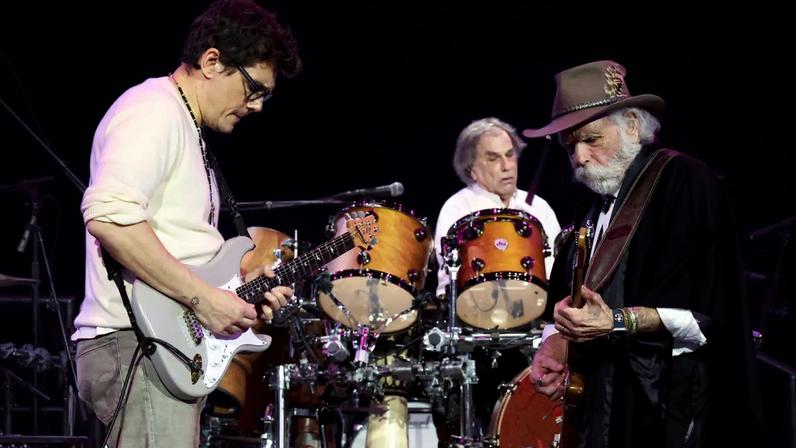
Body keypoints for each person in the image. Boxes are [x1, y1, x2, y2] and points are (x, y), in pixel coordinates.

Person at [72, 0, 301, 446]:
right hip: (137, 346)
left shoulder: (186, 127)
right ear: (211, 61)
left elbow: (182, 250)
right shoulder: (153, 111)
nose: (256, 106)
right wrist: (204, 300)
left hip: (163, 347)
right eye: (254, 88)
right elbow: (110, 218)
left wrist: (239, 288)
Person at [525, 60, 761, 447]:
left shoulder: (684, 183)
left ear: (632, 125)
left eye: (592, 139)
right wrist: (554, 343)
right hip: (600, 418)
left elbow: (713, 314)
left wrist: (617, 321)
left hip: (667, 413)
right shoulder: (593, 210)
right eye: (570, 146)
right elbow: (567, 300)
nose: (580, 157)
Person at [431, 117, 561, 433]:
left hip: (531, 332)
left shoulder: (539, 209)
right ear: (471, 169)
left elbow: (556, 272)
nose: (506, 165)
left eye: (510, 154)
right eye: (493, 158)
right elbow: (451, 278)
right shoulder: (458, 207)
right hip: (473, 334)